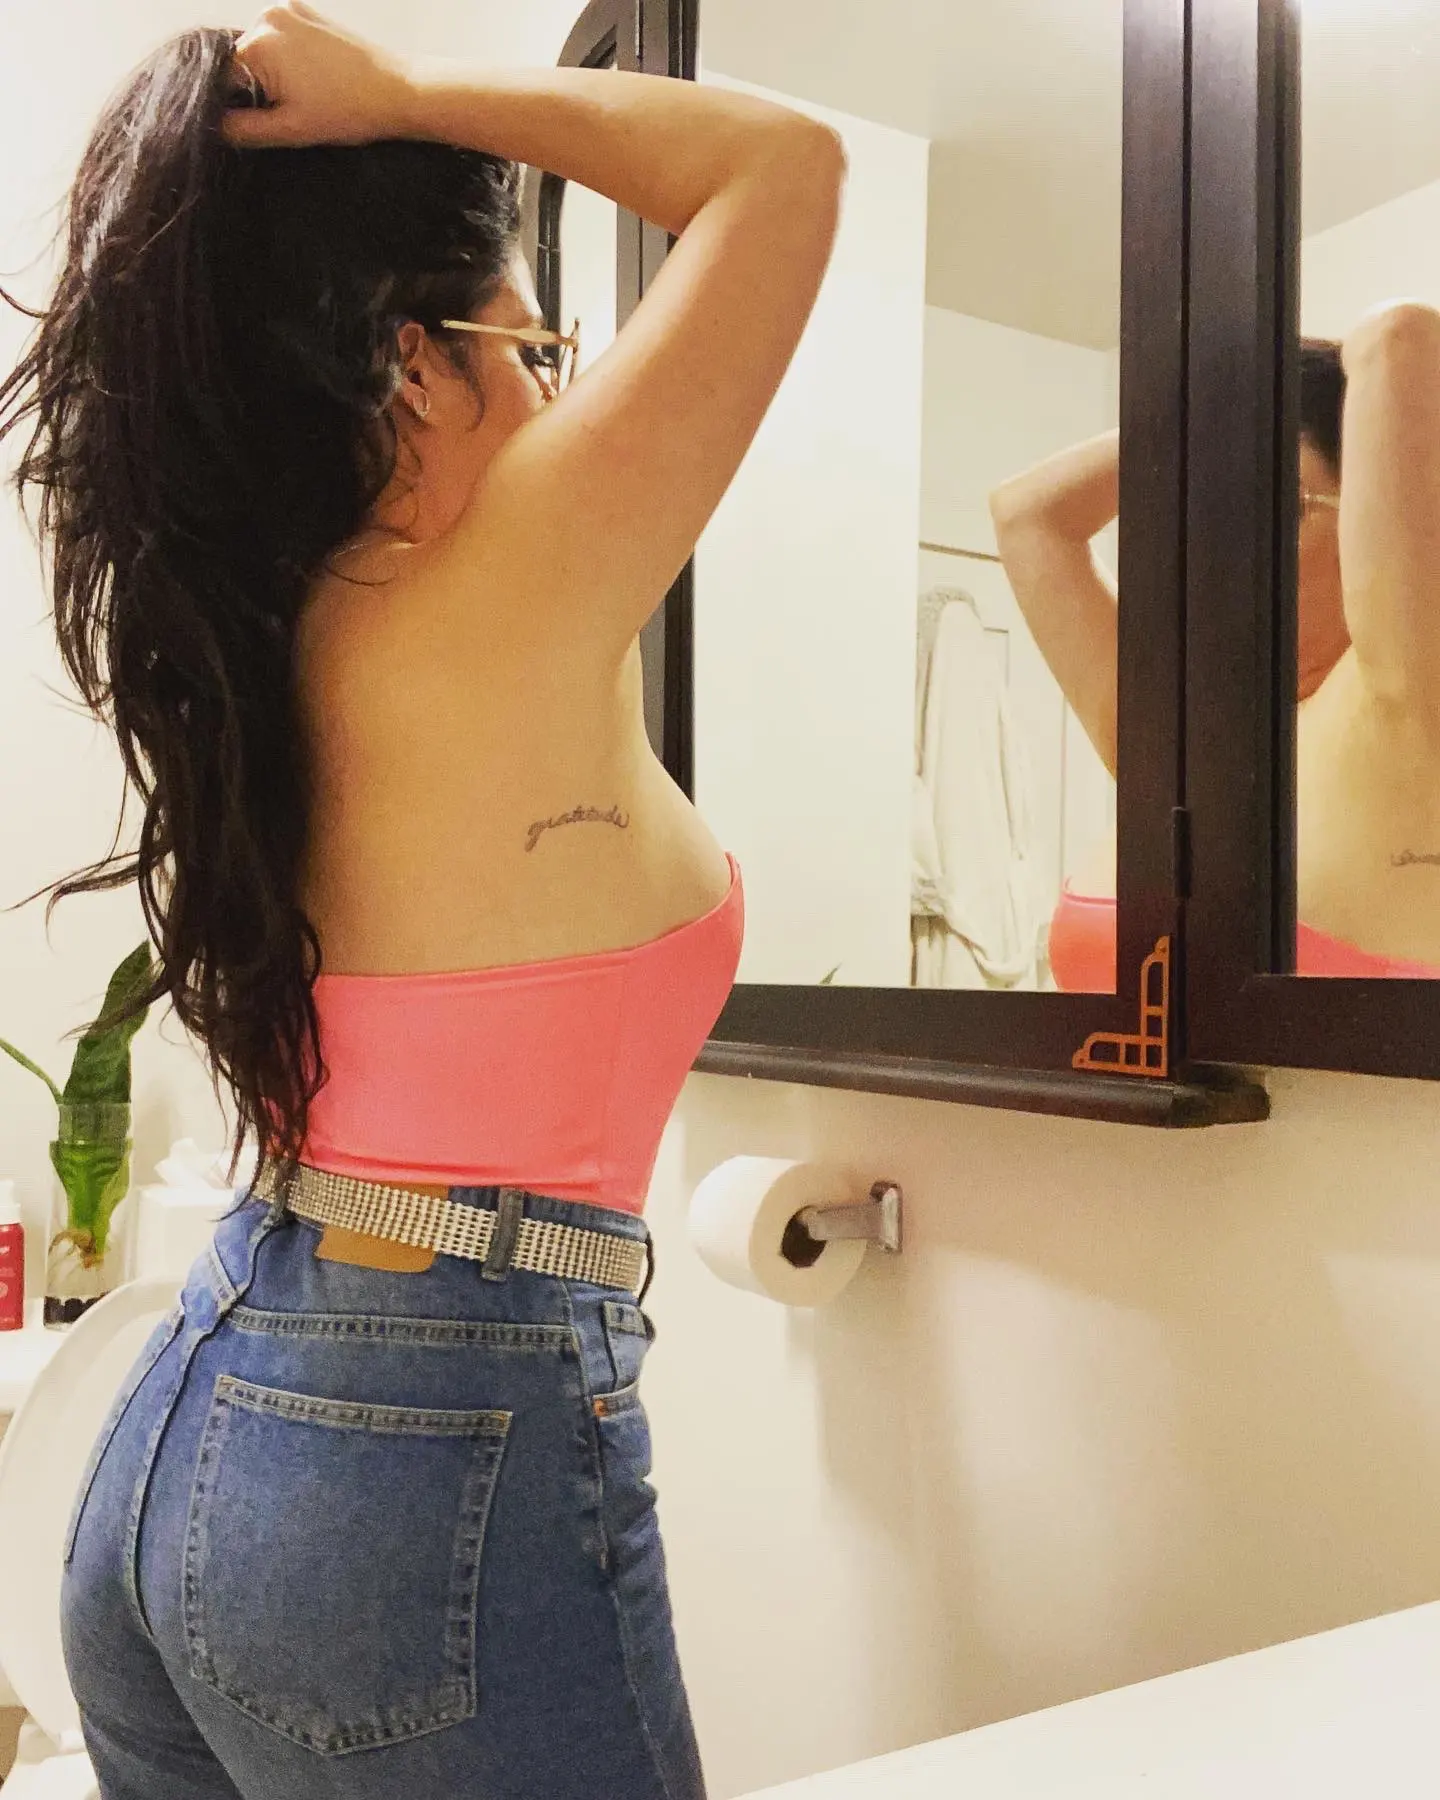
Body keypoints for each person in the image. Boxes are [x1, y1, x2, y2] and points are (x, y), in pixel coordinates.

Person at [0, 5, 845, 1795]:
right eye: (533, 347)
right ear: (412, 369)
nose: (556, 393)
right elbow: (784, 167)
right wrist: (400, 99)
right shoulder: (498, 581)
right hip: (415, 1448)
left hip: (187, 1431)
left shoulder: (268, 644)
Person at [989, 315, 1440, 987]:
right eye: (1209, 516)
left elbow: (1403, 340)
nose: (1223, 550)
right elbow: (1026, 515)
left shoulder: (1405, 702)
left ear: (1370, 509)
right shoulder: (1188, 737)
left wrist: (1282, 386)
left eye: (1275, 510)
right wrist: (1218, 430)